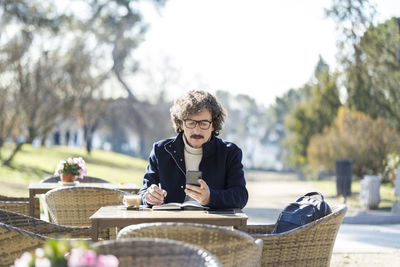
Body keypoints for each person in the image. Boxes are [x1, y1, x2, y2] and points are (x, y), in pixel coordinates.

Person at [138, 90, 248, 209]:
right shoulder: (160, 150)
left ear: (213, 125)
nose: (197, 131)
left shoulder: (230, 153)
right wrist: (148, 197)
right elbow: (143, 193)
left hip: (212, 225)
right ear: (180, 124)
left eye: (204, 123)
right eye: (190, 123)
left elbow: (240, 196)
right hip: (169, 224)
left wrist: (211, 197)